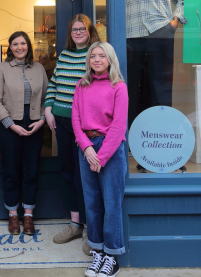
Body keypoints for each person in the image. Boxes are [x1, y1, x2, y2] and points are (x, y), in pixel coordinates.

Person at [44, 14, 100, 252]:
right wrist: (48, 108)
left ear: (89, 31)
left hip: (83, 124)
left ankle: (89, 228)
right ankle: (75, 223)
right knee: (67, 171)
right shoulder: (65, 55)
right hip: (61, 121)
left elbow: (98, 88)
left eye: (82, 29)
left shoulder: (94, 55)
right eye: (74, 29)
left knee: (84, 175)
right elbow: (54, 84)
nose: (77, 32)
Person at [72, 42, 128, 277]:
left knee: (112, 204)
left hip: (110, 149)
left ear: (110, 59)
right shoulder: (81, 86)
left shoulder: (119, 87)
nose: (96, 60)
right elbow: (75, 119)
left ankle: (111, 256)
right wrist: (86, 148)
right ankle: (97, 253)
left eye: (101, 56)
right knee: (92, 203)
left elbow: (118, 125)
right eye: (92, 56)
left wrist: (101, 156)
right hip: (87, 148)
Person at [0, 31, 48, 235]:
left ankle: (29, 216)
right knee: (11, 172)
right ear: (10, 48)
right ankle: (13, 215)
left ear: (28, 46)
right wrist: (10, 125)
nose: (19, 47)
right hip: (10, 127)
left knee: (31, 172)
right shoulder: (2, 68)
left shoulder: (39, 68)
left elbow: (47, 99)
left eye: (23, 43)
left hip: (34, 125)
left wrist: (42, 120)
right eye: (15, 44)